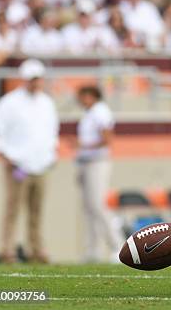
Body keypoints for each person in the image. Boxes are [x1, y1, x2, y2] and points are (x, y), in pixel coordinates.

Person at [0, 59, 59, 263]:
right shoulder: (9, 103)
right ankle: (7, 249)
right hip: (17, 165)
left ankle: (35, 249)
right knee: (13, 209)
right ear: (25, 79)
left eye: (38, 79)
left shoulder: (46, 102)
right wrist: (4, 155)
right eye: (32, 79)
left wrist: (51, 153)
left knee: (36, 210)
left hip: (41, 164)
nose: (36, 83)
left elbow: (52, 131)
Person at [75, 85, 121, 263]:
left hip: (97, 163)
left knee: (99, 205)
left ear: (90, 96)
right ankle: (93, 250)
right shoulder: (89, 113)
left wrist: (84, 147)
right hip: (86, 163)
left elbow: (107, 139)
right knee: (88, 208)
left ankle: (117, 245)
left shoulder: (100, 111)